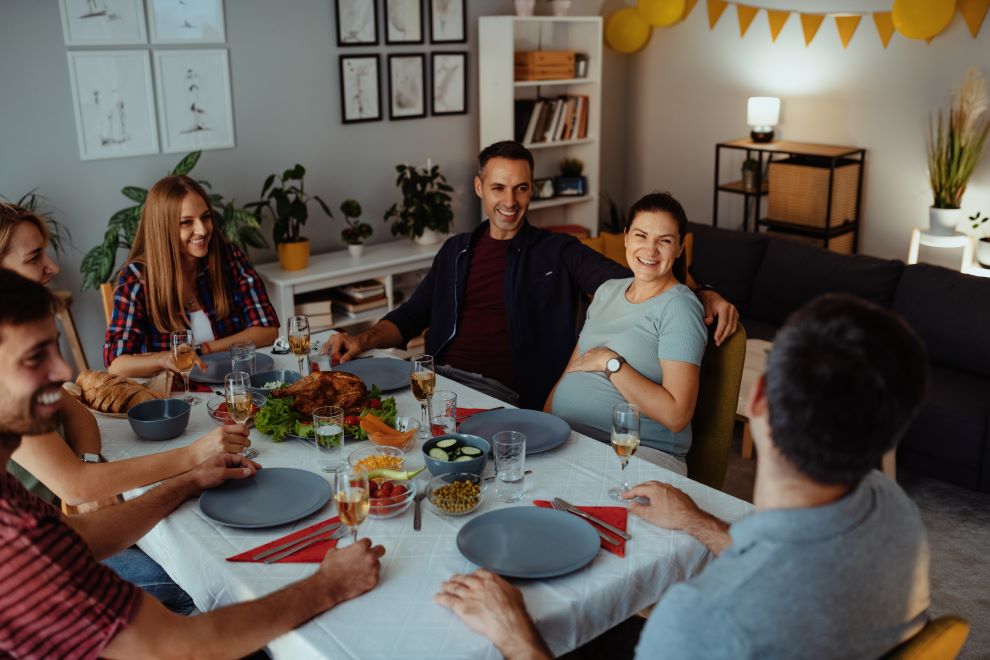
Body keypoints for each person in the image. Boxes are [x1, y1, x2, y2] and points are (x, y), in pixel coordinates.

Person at [435, 293, 931, 659]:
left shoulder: (702, 620)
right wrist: (699, 523)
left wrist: (515, 633)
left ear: (758, 402)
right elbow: (798, 575)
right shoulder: (894, 510)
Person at [0, 268, 386, 659]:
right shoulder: (16, 545)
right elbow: (180, 647)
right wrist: (330, 585)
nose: (63, 371)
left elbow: (78, 536)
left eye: (55, 348)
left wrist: (188, 481)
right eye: (35, 357)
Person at [325, 141, 738, 409]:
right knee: (347, 409)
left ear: (532, 189)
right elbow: (412, 315)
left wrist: (702, 292)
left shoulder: (559, 251)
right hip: (434, 378)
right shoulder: (456, 250)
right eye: (499, 188)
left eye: (521, 188)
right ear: (479, 187)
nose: (510, 200)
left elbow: (642, 278)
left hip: (498, 393)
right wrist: (361, 339)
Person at [0, 202, 251, 613]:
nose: (52, 267)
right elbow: (74, 486)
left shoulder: (18, 342)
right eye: (34, 257)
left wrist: (88, 470)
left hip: (71, 523)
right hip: (35, 560)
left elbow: (77, 413)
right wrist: (192, 456)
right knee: (196, 580)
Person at [547, 192, 707, 474]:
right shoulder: (607, 291)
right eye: (641, 235)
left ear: (680, 248)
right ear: (625, 237)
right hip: (572, 439)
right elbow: (572, 369)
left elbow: (677, 415)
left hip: (639, 452)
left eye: (665, 241)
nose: (650, 250)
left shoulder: (679, 308)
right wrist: (544, 423)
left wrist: (611, 363)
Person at [105, 175, 279, 377]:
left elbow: (267, 330)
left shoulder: (228, 257)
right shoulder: (136, 279)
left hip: (236, 385)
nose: (202, 230)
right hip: (176, 391)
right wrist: (164, 359)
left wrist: (202, 350)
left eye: (205, 217)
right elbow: (117, 364)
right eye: (186, 222)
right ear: (163, 228)